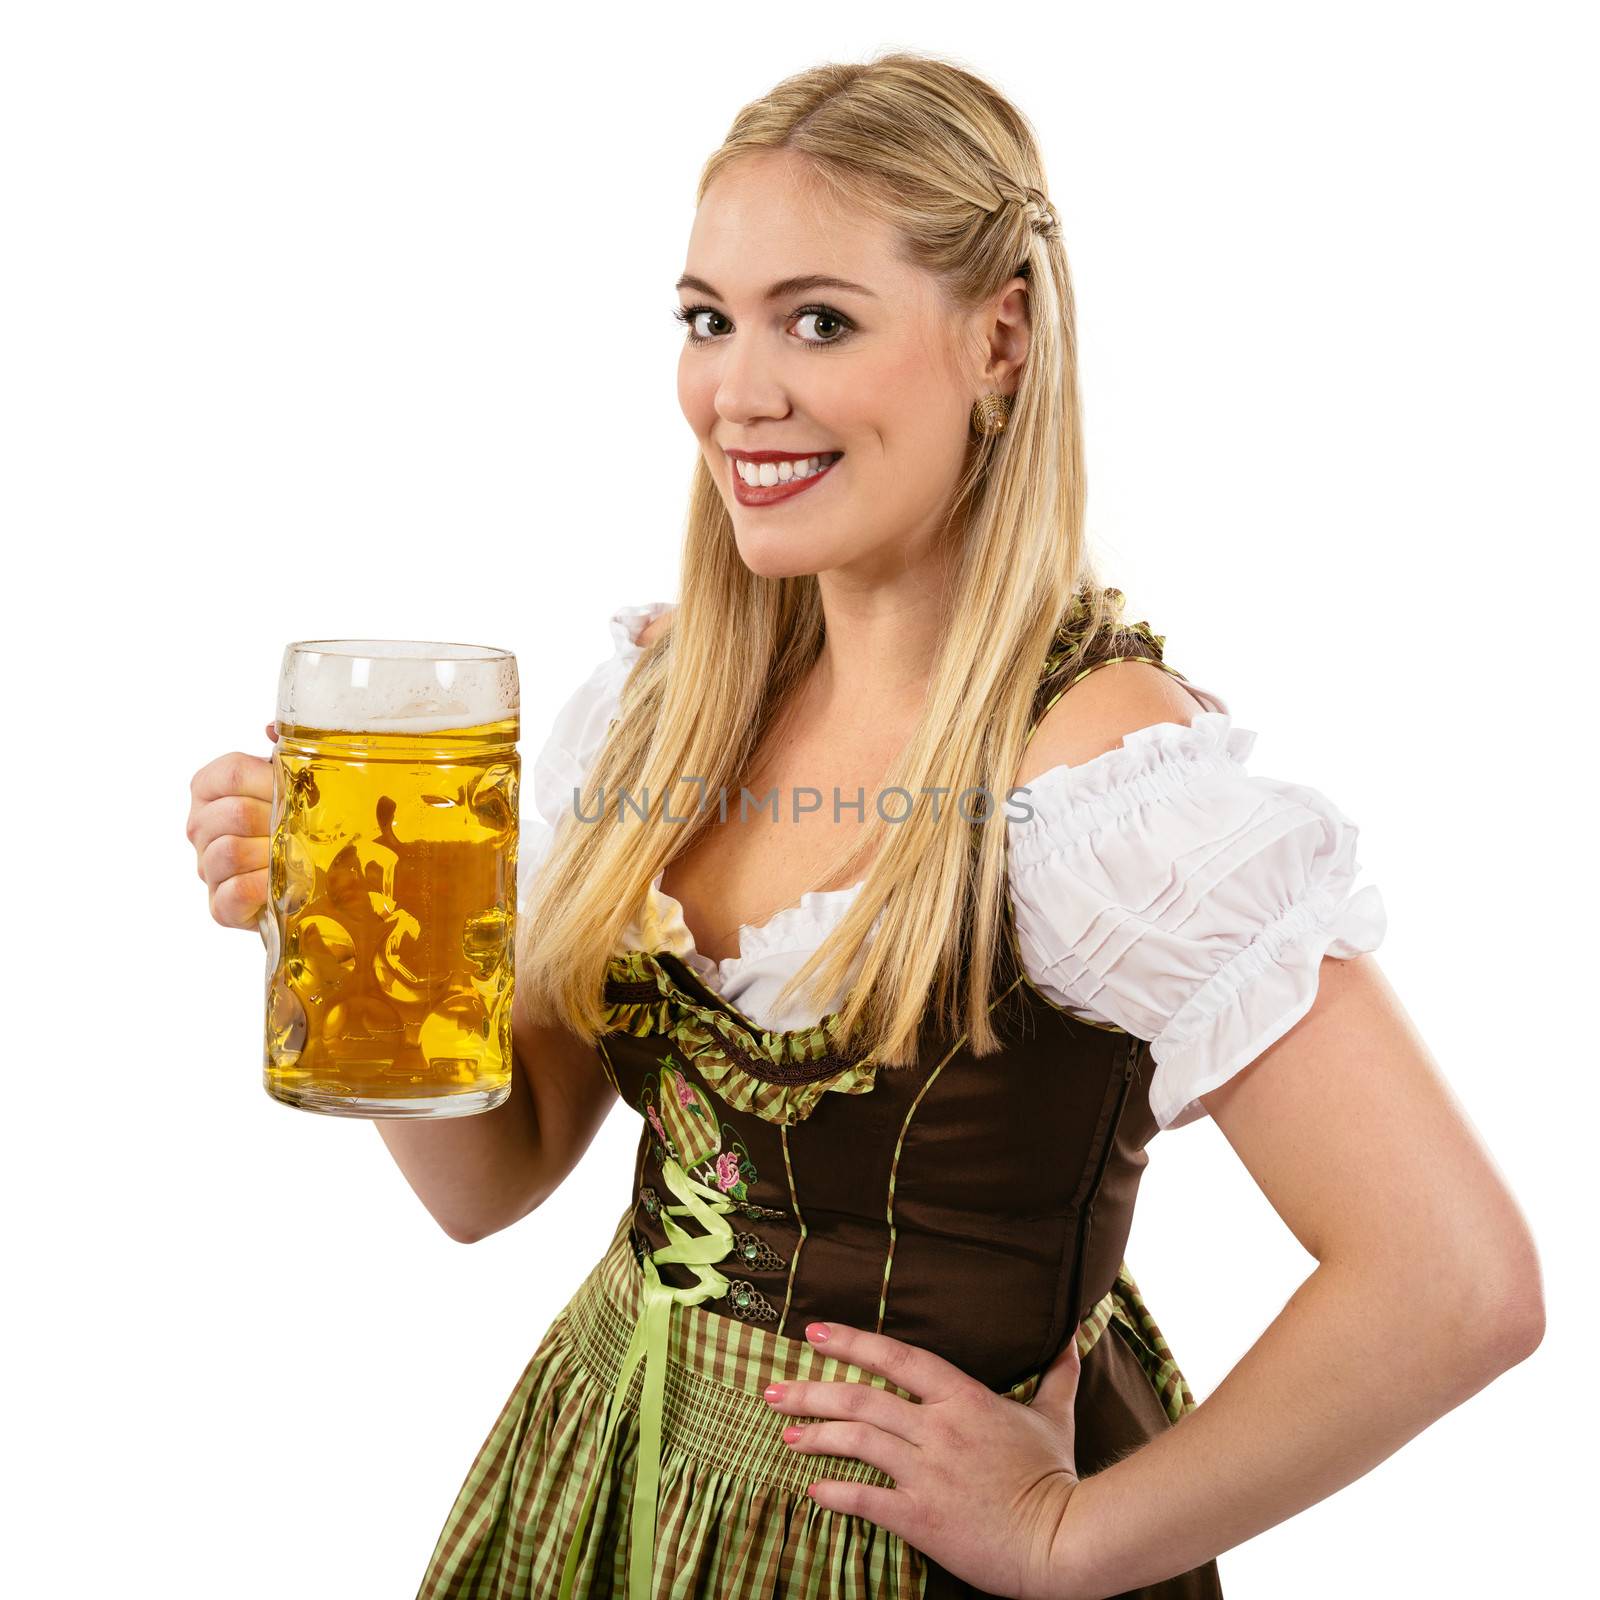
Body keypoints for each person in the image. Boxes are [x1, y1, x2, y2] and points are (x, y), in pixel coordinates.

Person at [187, 49, 1544, 1600]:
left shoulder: (1101, 781)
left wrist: (1067, 1534)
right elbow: (491, 1187)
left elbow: (1457, 1282)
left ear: (1001, 341)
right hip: (607, 1479)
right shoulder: (665, 707)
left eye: (817, 320)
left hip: (899, 1560)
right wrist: (346, 937)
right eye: (708, 319)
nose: (737, 392)